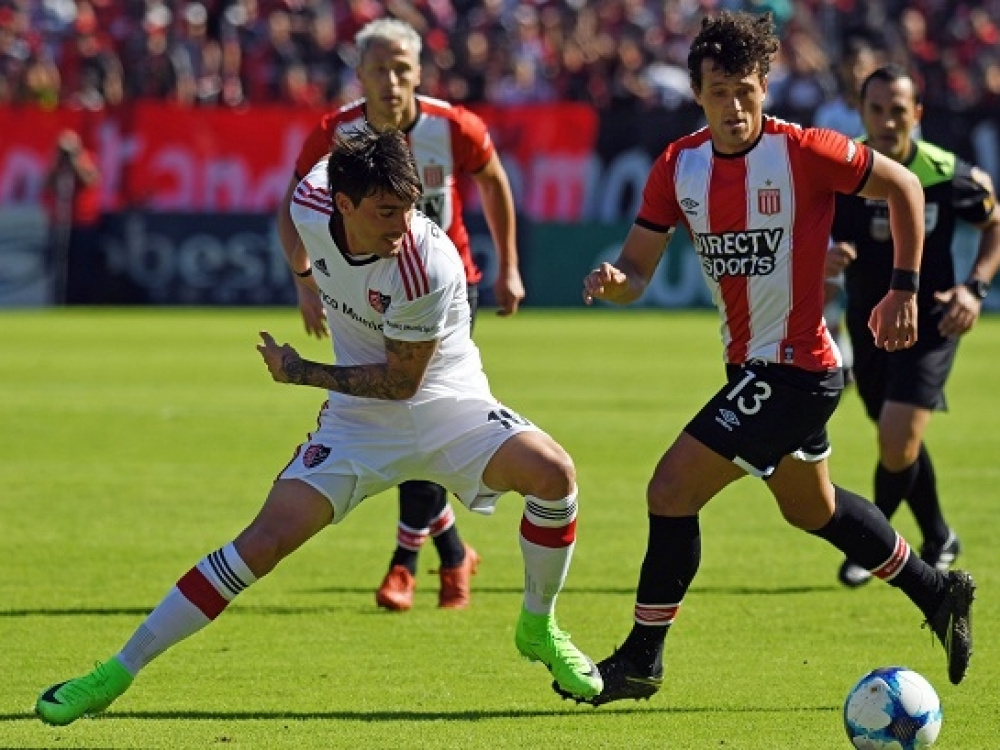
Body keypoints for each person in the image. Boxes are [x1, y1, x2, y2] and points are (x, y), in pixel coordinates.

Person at [34, 128, 600, 727]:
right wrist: (304, 275)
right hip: (358, 423)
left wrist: (300, 370)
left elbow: (401, 383)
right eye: (386, 211)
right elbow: (290, 210)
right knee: (261, 544)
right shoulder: (311, 198)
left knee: (554, 475)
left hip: (448, 405)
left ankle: (539, 626)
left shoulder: (425, 263)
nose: (403, 225)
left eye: (409, 208)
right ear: (344, 204)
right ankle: (115, 673)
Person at [553, 11, 975, 708]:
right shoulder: (678, 166)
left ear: (765, 87)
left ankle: (642, 659)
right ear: (698, 94)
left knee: (670, 490)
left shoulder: (803, 150)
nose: (735, 106)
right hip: (749, 369)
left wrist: (902, 289)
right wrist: (615, 280)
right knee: (813, 509)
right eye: (719, 92)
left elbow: (903, 185)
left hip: (799, 371)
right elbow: (638, 268)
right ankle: (937, 591)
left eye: (746, 90)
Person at [277, 18, 525, 612]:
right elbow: (294, 204)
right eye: (379, 70)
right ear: (360, 76)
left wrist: (509, 265)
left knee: (410, 405)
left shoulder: (453, 126)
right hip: (364, 289)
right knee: (400, 414)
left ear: (419, 74)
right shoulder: (335, 133)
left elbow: (493, 182)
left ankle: (405, 563)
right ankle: (453, 552)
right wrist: (305, 278)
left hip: (445, 290)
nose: (390, 81)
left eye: (401, 70)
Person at [828, 64, 1000, 588]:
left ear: (917, 114)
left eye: (898, 111)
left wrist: (974, 289)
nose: (887, 121)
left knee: (897, 436)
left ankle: (871, 544)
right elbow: (808, 232)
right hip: (867, 323)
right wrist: (823, 254)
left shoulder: (947, 174)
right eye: (876, 110)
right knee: (896, 441)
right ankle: (939, 536)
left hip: (930, 322)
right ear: (861, 113)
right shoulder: (841, 171)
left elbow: (994, 224)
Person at [43, 129, 102, 304]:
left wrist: (75, 161)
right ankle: (59, 299)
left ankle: (81, 301)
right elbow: (47, 185)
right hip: (61, 222)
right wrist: (58, 162)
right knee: (58, 264)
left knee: (82, 265)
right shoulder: (57, 165)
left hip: (83, 222)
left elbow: (91, 181)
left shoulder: (87, 159)